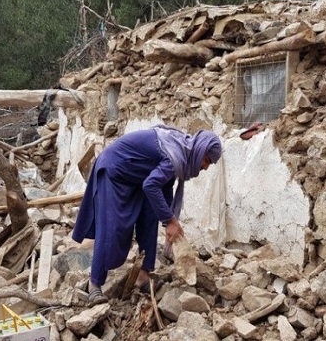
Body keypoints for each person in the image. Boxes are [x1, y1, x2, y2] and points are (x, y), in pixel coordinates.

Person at [72, 125, 222, 306]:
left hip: (137, 178)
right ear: (199, 150)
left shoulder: (180, 152)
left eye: (209, 164)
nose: (205, 167)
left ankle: (143, 276)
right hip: (114, 171)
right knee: (112, 229)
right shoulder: (174, 155)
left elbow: (164, 187)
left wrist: (169, 221)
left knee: (150, 218)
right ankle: (94, 285)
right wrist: (170, 219)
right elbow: (152, 185)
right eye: (206, 160)